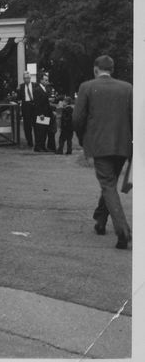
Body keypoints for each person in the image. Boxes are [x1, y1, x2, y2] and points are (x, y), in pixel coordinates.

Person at [73, 55, 132, 250]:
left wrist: (83, 140)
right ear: (112, 69)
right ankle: (100, 220)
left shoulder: (86, 87)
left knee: (107, 185)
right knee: (110, 183)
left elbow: (77, 119)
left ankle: (122, 230)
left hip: (99, 145)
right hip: (122, 146)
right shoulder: (127, 88)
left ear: (96, 69)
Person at [33, 73, 56, 152]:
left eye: (47, 80)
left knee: (44, 130)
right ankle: (38, 146)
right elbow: (37, 103)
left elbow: (45, 101)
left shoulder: (45, 89)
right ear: (41, 80)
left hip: (46, 112)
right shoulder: (37, 89)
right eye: (45, 80)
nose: (47, 81)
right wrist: (40, 114)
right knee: (40, 130)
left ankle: (42, 146)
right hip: (41, 113)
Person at [16, 71, 37, 148]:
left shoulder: (35, 85)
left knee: (36, 124)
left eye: (28, 78)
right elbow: (18, 98)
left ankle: (37, 141)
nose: (26, 79)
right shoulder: (21, 87)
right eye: (25, 78)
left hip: (34, 105)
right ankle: (30, 141)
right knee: (27, 126)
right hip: (26, 106)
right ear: (23, 79)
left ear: (30, 78)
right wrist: (17, 91)